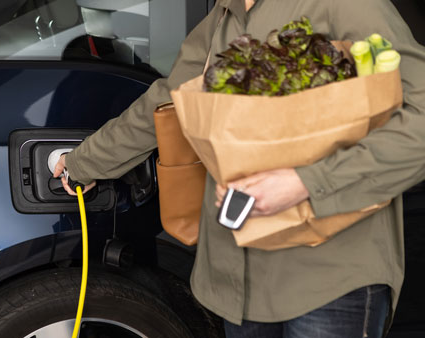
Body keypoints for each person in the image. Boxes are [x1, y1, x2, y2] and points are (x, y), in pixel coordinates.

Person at [53, 0, 425, 336]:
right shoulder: (223, 17)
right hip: (238, 285)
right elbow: (168, 101)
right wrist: (84, 162)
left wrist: (306, 183)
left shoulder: (347, 4)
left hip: (329, 277)